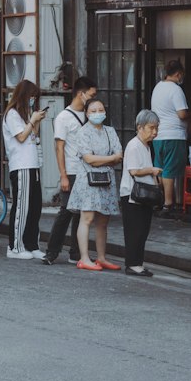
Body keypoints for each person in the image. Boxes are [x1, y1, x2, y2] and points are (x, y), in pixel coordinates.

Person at [44, 76, 96, 264]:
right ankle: (51, 252)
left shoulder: (90, 114)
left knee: (81, 212)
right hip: (73, 171)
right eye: (91, 94)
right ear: (81, 94)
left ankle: (76, 252)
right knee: (66, 211)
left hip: (87, 170)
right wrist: (63, 175)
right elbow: (59, 147)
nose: (93, 98)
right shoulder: (63, 118)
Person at [68, 97, 123, 271]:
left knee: (103, 220)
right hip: (88, 181)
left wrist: (107, 160)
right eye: (93, 111)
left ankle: (101, 257)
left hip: (106, 180)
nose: (97, 114)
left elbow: (119, 154)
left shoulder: (110, 131)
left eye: (100, 110)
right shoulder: (83, 132)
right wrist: (110, 159)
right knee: (87, 218)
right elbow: (89, 159)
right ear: (86, 113)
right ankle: (84, 257)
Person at [2, 79, 47, 259]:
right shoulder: (12, 114)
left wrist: (35, 120)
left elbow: (33, 135)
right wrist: (32, 121)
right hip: (21, 165)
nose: (33, 99)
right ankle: (15, 246)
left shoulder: (25, 114)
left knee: (35, 206)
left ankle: (31, 243)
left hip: (33, 164)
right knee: (22, 206)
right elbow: (21, 137)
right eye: (32, 96)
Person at [119, 109, 161, 277]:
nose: (155, 132)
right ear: (140, 127)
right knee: (135, 231)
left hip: (143, 195)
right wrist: (152, 170)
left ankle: (137, 263)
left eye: (156, 128)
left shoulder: (146, 146)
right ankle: (132, 264)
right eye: (151, 128)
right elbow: (134, 171)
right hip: (132, 194)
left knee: (142, 230)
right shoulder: (134, 145)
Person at [150, 59, 191, 215]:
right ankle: (168, 204)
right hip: (174, 134)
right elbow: (182, 114)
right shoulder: (175, 90)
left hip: (158, 134)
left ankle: (159, 201)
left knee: (160, 169)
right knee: (170, 170)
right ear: (178, 74)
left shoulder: (157, 88)